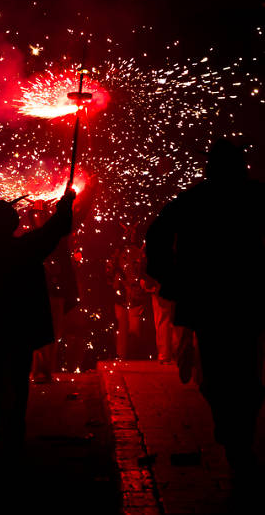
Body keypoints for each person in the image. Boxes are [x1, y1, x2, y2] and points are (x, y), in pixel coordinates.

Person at [146, 138, 265, 479]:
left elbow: (156, 235)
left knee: (221, 376)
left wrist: (169, 276)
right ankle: (237, 436)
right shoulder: (253, 196)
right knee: (242, 375)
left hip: (213, 302)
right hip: (243, 301)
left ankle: (234, 436)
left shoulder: (194, 200)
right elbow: (158, 235)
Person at [0, 188, 75, 448]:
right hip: (21, 326)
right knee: (19, 378)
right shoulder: (27, 248)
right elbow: (54, 230)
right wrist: (65, 204)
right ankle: (16, 425)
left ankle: (5, 424)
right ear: (14, 223)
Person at [27, 200, 79, 383]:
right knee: (38, 332)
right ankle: (39, 371)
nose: (38, 218)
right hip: (37, 292)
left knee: (53, 334)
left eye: (41, 215)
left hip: (55, 293)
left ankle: (46, 370)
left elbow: (64, 266)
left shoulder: (58, 239)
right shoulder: (31, 237)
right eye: (35, 215)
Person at [106, 223, 147, 360]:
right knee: (122, 327)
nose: (130, 235)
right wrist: (115, 282)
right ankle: (121, 355)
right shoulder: (118, 252)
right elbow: (110, 270)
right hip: (121, 294)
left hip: (135, 295)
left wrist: (139, 284)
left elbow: (142, 270)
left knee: (134, 328)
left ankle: (133, 355)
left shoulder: (139, 252)